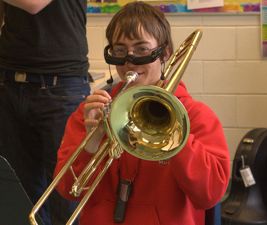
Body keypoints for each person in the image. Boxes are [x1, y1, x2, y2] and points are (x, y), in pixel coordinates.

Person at [54, 2, 231, 225]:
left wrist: (174, 134)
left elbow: (210, 194)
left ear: (164, 53)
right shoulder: (92, 111)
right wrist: (92, 142)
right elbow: (68, 190)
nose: (130, 62)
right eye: (119, 51)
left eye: (142, 50)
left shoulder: (196, 116)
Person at [0, 0, 90, 225]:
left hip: (60, 85)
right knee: (19, 195)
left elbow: (34, 3)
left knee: (65, 196)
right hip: (10, 81)